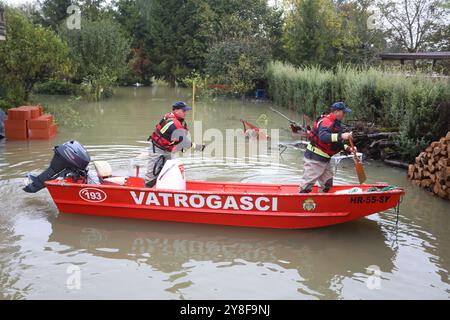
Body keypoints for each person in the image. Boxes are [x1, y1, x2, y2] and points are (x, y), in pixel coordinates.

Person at [144, 101, 205, 188]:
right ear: (176, 110)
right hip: (157, 149)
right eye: (183, 111)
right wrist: (198, 147)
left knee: (166, 171)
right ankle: (147, 191)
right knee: (152, 174)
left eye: (186, 111)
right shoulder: (175, 123)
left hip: (167, 149)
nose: (185, 113)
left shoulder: (175, 119)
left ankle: (161, 188)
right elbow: (185, 142)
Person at [299, 101, 355, 193]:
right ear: (336, 111)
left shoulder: (335, 123)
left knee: (327, 185)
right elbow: (323, 137)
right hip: (314, 159)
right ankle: (301, 203)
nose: (344, 114)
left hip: (325, 159)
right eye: (343, 112)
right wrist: (342, 136)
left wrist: (348, 148)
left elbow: (335, 142)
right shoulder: (326, 122)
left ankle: (322, 203)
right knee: (306, 187)